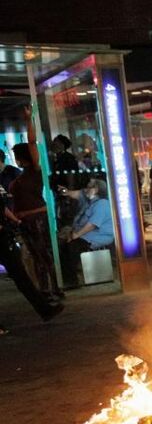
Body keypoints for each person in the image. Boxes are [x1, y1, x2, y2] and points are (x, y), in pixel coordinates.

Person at [9, 110, 62, 300]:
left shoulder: (34, 171)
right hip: (26, 221)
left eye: (16, 156)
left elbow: (32, 142)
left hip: (35, 219)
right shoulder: (24, 175)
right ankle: (47, 289)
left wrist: (29, 120)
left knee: (42, 256)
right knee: (37, 256)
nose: (15, 159)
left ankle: (52, 289)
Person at [0, 206, 63, 325]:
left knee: (21, 277)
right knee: (21, 276)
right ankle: (45, 310)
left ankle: (45, 309)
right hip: (3, 239)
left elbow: (2, 208)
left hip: (4, 238)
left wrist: (16, 221)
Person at [58, 178, 114, 289]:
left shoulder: (102, 204)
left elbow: (92, 225)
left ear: (96, 190)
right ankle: (69, 277)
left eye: (89, 187)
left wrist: (76, 235)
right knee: (64, 246)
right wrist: (66, 192)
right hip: (86, 234)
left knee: (71, 247)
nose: (85, 189)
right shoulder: (90, 202)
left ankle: (72, 280)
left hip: (96, 236)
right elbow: (76, 194)